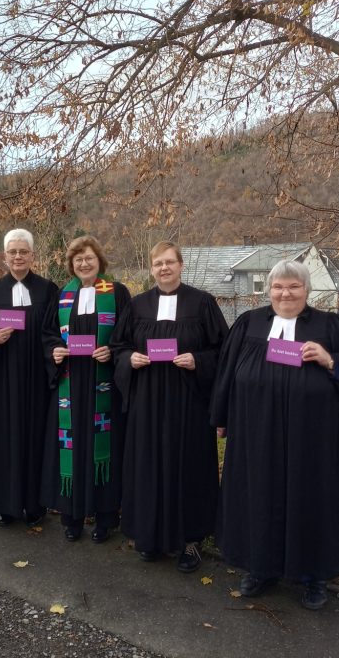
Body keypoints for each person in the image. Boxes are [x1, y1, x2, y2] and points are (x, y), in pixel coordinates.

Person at [211, 260, 339, 610]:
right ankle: (260, 568)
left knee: (310, 496)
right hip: (256, 432)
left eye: (293, 286)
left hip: (313, 436)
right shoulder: (249, 323)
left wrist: (331, 360)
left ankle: (313, 575)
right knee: (259, 494)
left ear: (306, 290)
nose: (285, 293)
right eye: (278, 287)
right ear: (269, 290)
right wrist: (221, 417)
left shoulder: (330, 325)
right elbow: (226, 372)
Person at [111, 241, 228, 572]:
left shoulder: (202, 303)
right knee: (147, 466)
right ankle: (150, 536)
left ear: (180, 265)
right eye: (158, 263)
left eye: (169, 262)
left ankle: (190, 541)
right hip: (146, 404)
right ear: (151, 268)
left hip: (188, 403)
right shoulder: (137, 305)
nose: (164, 268)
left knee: (188, 467)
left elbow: (224, 350)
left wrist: (198, 360)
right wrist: (129, 358)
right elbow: (118, 346)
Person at [41, 236, 131, 543]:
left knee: (104, 450)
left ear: (99, 260)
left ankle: (105, 518)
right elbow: (48, 333)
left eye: (89, 258)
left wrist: (112, 351)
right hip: (70, 386)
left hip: (103, 385)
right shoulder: (62, 295)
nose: (84, 263)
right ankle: (72, 517)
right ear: (71, 264)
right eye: (78, 259)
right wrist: (54, 350)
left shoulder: (117, 292)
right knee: (73, 447)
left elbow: (128, 334)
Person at [0, 229, 59, 526]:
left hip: (37, 379)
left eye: (23, 251)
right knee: (4, 439)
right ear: (5, 256)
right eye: (12, 252)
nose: (18, 257)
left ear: (33, 256)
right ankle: (6, 505)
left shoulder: (48, 290)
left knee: (36, 439)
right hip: (3, 380)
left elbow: (56, 331)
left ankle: (35, 505)